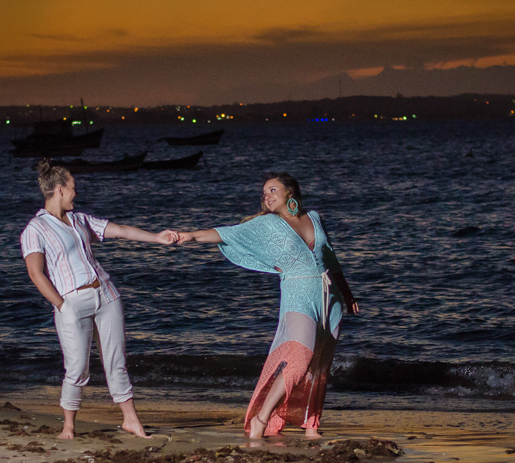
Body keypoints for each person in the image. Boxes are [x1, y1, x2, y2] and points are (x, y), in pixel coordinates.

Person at [179, 173, 358, 439]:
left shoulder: (315, 218)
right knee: (299, 358)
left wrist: (347, 293)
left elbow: (330, 257)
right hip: (298, 297)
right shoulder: (267, 224)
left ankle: (311, 425)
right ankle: (262, 419)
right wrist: (189, 236)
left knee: (319, 365)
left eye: (273, 190)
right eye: (264, 193)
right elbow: (225, 234)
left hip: (329, 298)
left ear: (290, 193)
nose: (267, 196)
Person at [21, 158, 179, 439]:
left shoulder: (80, 219)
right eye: (72, 188)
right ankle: (69, 425)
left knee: (116, 361)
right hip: (71, 303)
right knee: (78, 368)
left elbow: (120, 231)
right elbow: (36, 274)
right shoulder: (35, 229)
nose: (76, 193)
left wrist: (157, 238)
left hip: (106, 295)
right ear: (58, 190)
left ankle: (131, 420)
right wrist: (61, 305)